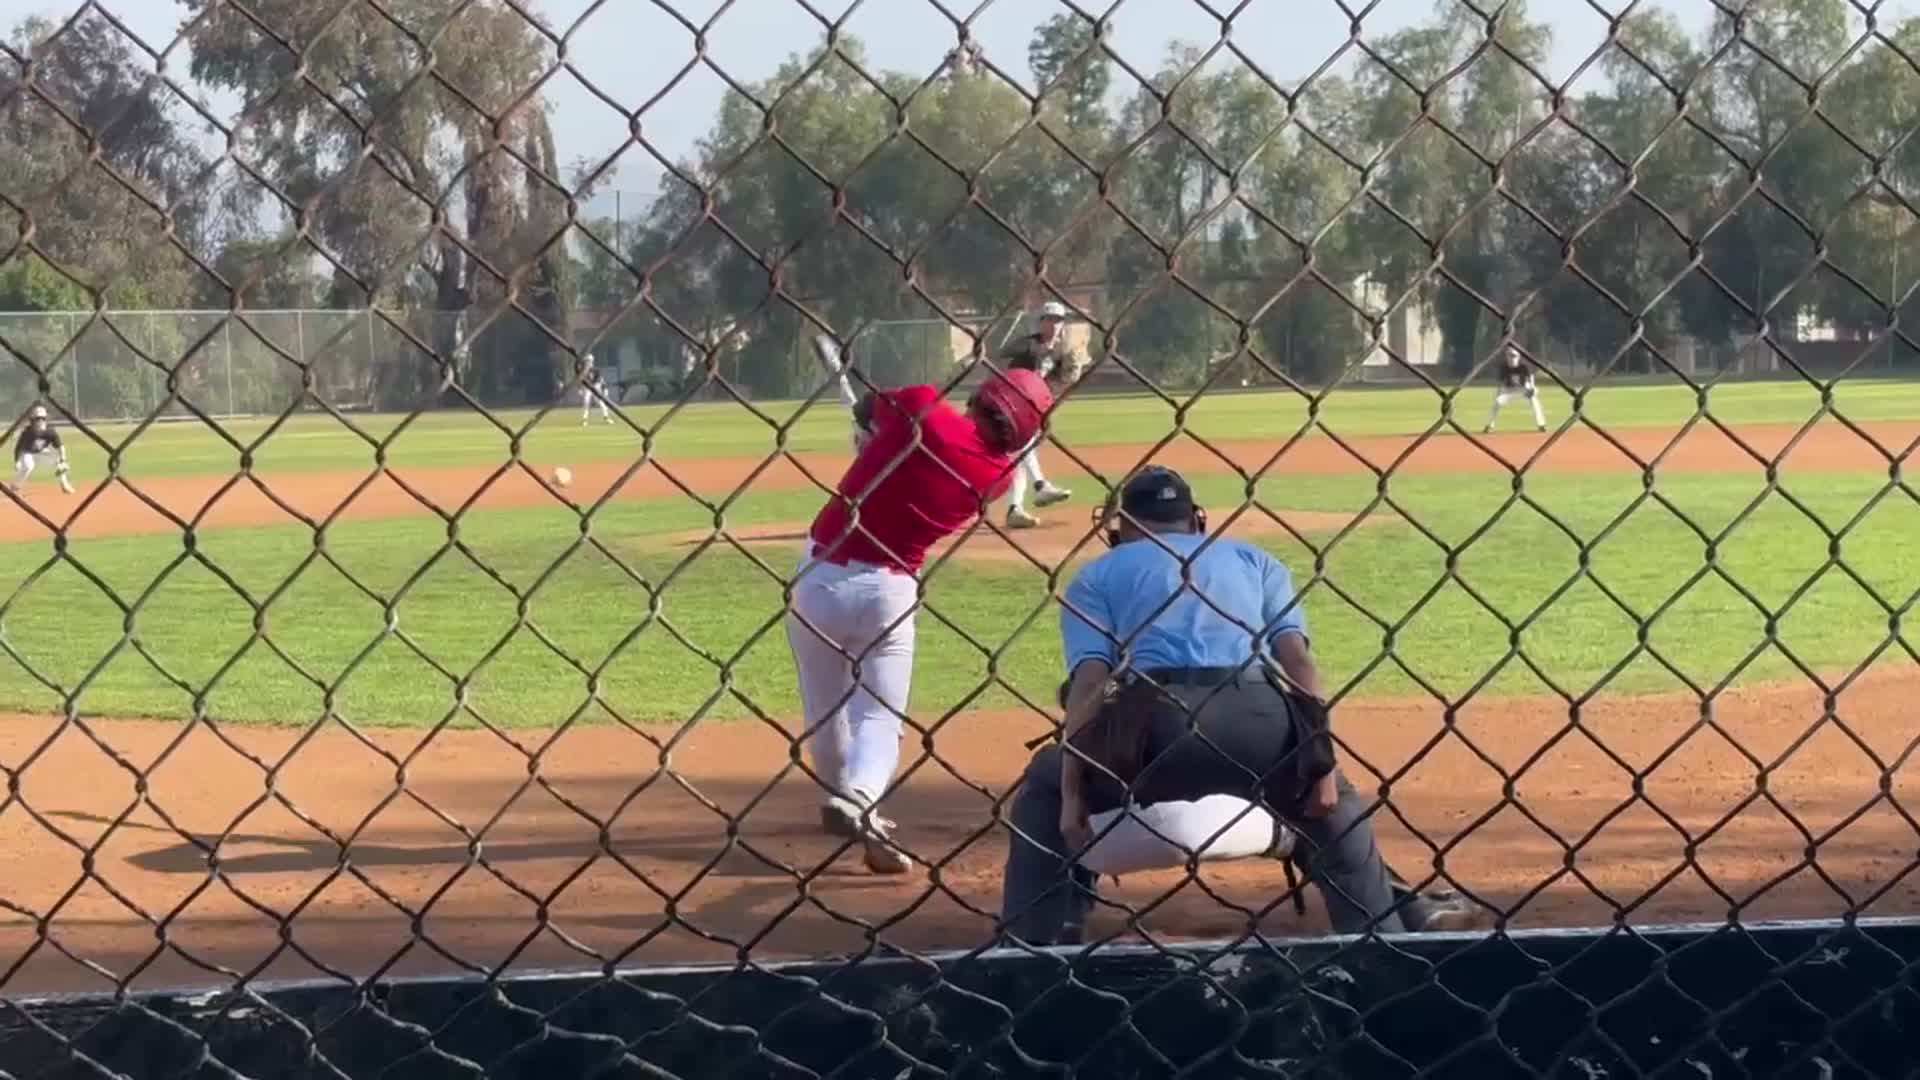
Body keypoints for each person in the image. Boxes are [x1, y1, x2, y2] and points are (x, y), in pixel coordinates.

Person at [998, 466, 1476, 944]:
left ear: (1125, 525)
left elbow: (1092, 684)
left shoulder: (1097, 576)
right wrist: (1322, 767)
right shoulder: (1254, 559)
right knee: (1332, 810)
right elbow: (1300, 666)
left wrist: (1071, 792)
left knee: (1045, 783)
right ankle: (1386, 937)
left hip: (1151, 729)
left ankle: (1029, 947)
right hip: (1257, 717)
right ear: (1196, 520)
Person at [787, 368, 1054, 874]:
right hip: (890, 592)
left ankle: (839, 795)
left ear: (983, 394)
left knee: (825, 707)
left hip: (820, 578)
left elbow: (868, 406)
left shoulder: (923, 406)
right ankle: (861, 796)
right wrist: (879, 443)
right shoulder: (998, 478)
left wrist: (870, 440)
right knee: (880, 715)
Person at [998, 301, 1083, 529]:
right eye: (1050, 319)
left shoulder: (1060, 352)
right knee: (1024, 446)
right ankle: (1040, 485)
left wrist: (1069, 373)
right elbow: (1003, 355)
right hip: (1009, 404)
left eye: (1058, 320)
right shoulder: (1028, 344)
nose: (1054, 325)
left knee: (1021, 457)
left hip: (1032, 409)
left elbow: (1060, 383)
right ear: (1041, 322)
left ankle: (1015, 509)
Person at [10, 405, 72, 496]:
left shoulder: (50, 431)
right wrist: (17, 461)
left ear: (46, 419)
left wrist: (63, 458)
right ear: (32, 420)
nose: (40, 421)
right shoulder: (28, 432)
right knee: (28, 466)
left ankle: (64, 485)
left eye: (42, 418)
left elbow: (60, 446)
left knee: (58, 462)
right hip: (27, 452)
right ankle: (15, 487)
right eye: (37, 419)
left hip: (41, 452)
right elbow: (18, 447)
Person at [1483, 346, 1546, 433]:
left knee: (1534, 401)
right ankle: (1489, 425)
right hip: (1509, 389)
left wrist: (1532, 387)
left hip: (1523, 387)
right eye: (1509, 355)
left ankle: (1541, 425)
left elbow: (1530, 376)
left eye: (1514, 356)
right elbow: (1501, 383)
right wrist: (1498, 394)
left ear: (1518, 357)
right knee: (1497, 402)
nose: (1512, 358)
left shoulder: (1524, 366)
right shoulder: (1504, 367)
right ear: (1506, 356)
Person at [581, 353, 614, 425]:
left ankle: (606, 418)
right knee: (586, 402)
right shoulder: (584, 370)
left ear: (592, 361)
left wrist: (604, 388)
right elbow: (582, 380)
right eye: (587, 361)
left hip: (595, 387)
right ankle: (584, 420)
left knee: (601, 402)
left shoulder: (595, 369)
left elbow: (601, 379)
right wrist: (581, 389)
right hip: (588, 388)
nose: (588, 362)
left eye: (589, 360)